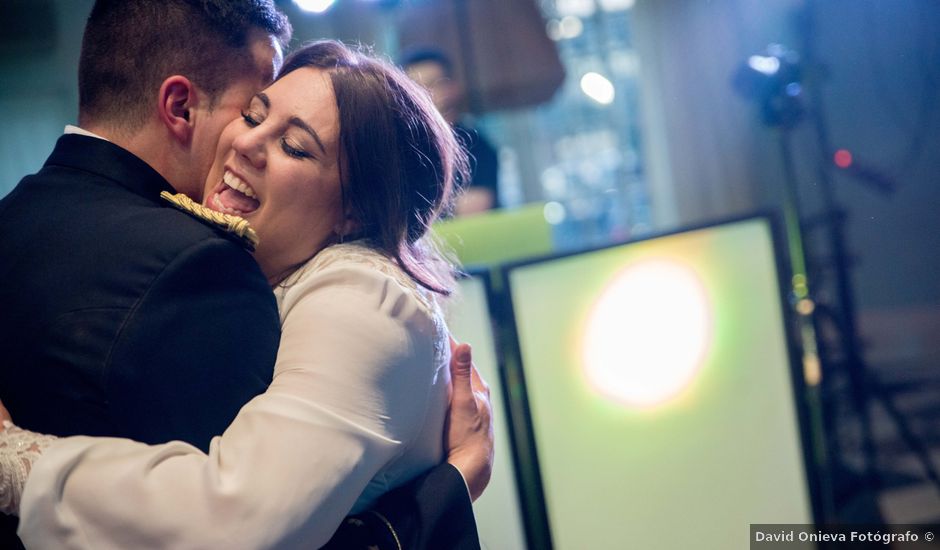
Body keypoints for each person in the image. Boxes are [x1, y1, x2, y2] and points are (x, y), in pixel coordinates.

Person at [0, 2, 491, 549]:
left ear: (355, 211)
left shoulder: (365, 299)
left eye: (296, 147)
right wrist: (452, 484)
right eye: (254, 116)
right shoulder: (233, 267)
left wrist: (17, 459)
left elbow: (236, 520)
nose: (246, 142)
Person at [401, 47, 501, 216]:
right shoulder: (402, 149)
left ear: (452, 87)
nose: (426, 94)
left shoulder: (477, 145)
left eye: (434, 83)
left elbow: (476, 205)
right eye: (416, 87)